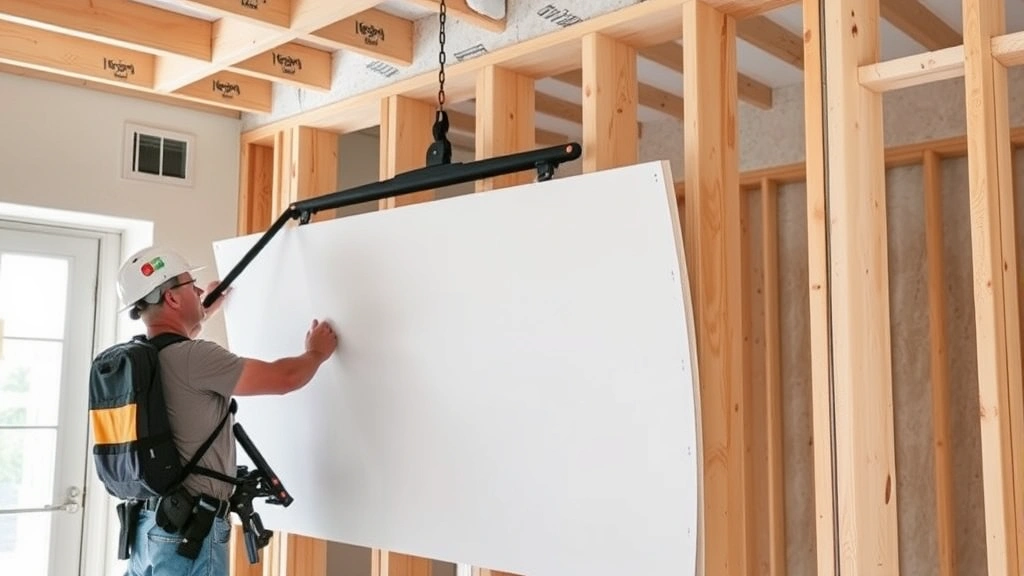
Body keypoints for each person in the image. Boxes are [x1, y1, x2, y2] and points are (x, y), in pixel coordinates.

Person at [113, 245, 338, 576]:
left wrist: (203, 310)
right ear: (173, 299)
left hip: (146, 527)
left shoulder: (138, 357)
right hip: (186, 534)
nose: (198, 290)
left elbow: (177, 349)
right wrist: (316, 352)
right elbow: (284, 378)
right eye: (191, 285)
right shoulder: (197, 358)